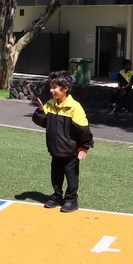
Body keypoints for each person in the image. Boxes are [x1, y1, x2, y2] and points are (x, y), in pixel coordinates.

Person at [32, 70, 94, 213]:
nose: (52, 90)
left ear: (65, 88)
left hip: (71, 150)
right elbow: (42, 122)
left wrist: (85, 147)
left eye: (55, 87)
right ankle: (57, 196)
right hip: (55, 149)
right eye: (51, 87)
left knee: (71, 175)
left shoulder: (74, 107)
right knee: (56, 174)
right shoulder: (50, 104)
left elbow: (83, 129)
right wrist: (40, 111)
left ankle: (71, 200)